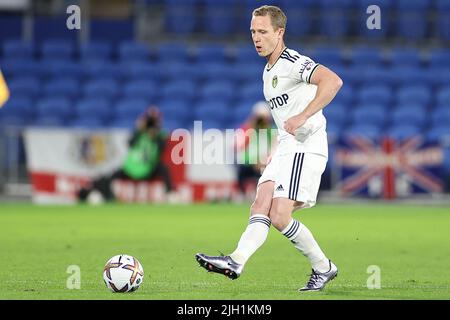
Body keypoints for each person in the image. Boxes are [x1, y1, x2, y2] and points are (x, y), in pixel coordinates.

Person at [196, 5, 343, 292]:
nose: (256, 37)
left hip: (306, 146)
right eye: (253, 31)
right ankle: (236, 260)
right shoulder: (268, 72)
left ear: (279, 32)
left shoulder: (293, 62)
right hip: (288, 146)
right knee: (260, 202)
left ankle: (324, 268)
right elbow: (283, 120)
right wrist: (274, 149)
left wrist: (304, 116)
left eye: (263, 31)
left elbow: (333, 81)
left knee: (279, 216)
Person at [77, 106, 176, 203]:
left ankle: (170, 194)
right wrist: (139, 129)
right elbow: (130, 143)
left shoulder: (159, 136)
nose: (151, 124)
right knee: (107, 177)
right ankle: (102, 195)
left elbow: (162, 147)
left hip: (148, 169)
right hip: (131, 168)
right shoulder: (139, 134)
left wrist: (155, 135)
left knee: (164, 169)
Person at [235, 101, 276, 201]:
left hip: (264, 163)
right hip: (247, 163)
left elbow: (274, 148)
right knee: (241, 171)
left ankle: (262, 195)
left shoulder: (272, 131)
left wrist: (263, 160)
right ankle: (243, 194)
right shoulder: (246, 129)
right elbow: (239, 146)